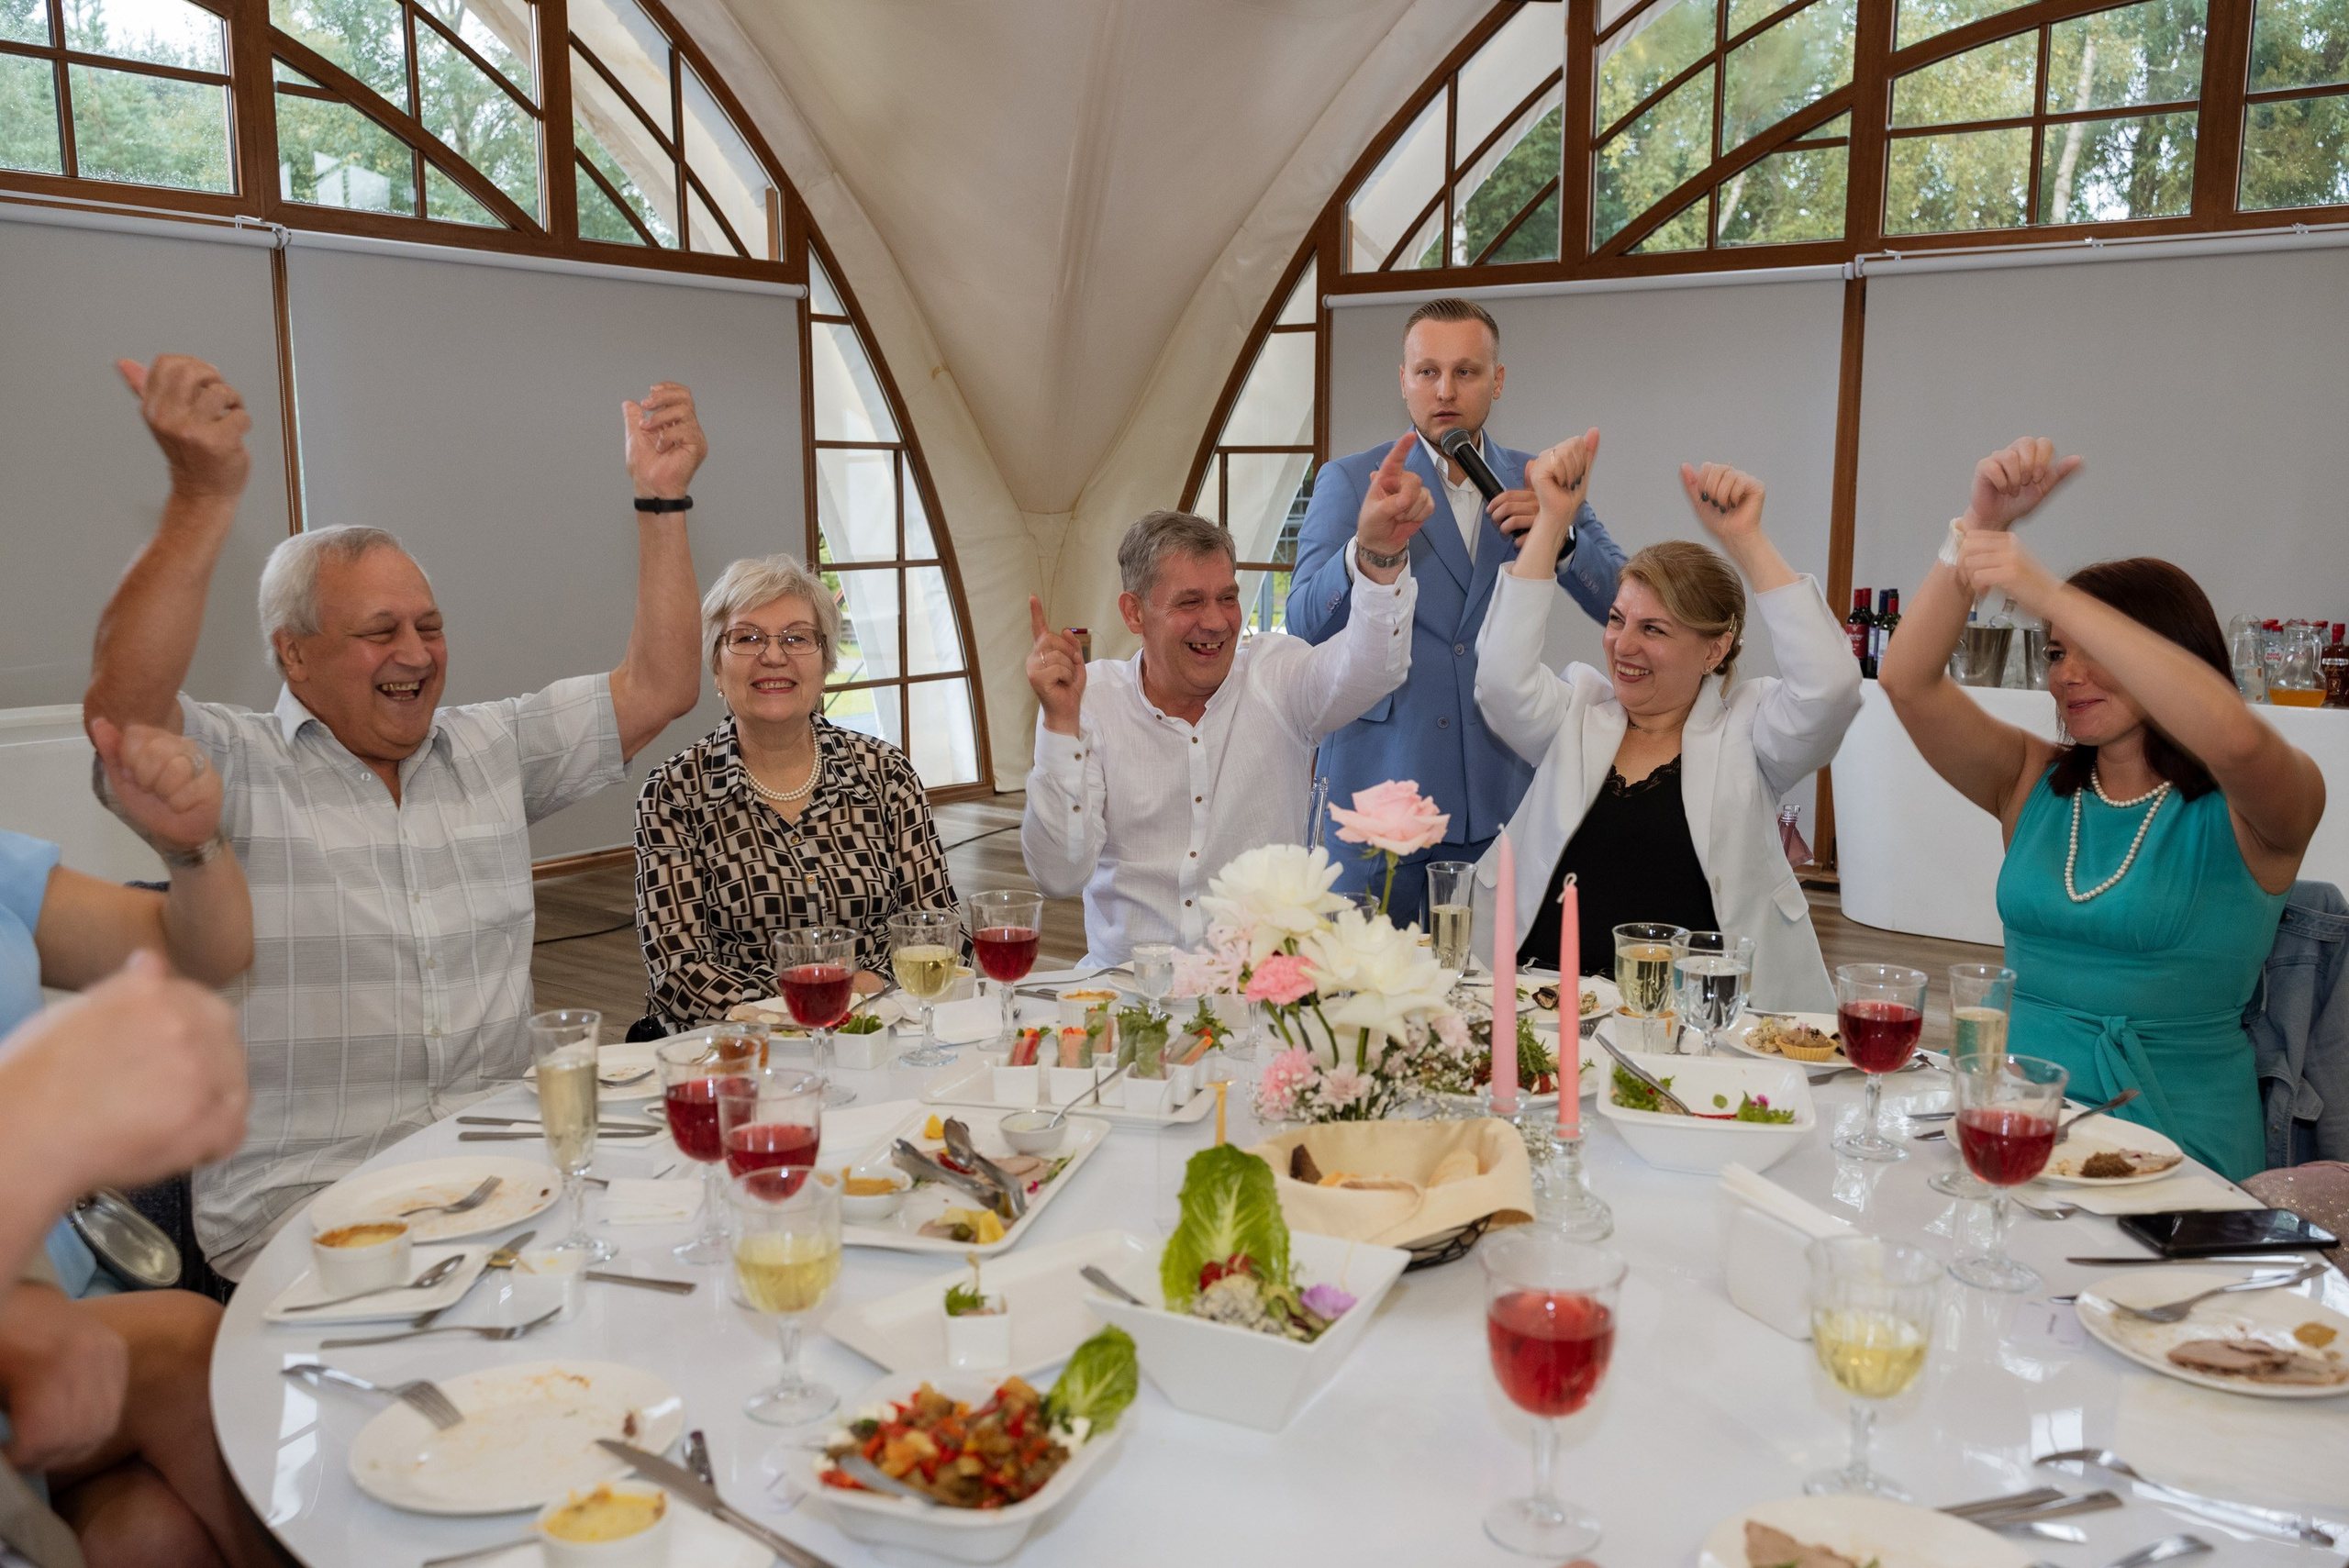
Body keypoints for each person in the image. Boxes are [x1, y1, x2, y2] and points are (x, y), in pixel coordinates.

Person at [82, 353, 707, 1278]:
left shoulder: (491, 747)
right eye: (380, 632)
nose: (416, 653)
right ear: (294, 655)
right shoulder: (237, 769)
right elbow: (125, 719)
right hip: (312, 1206)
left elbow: (660, 685)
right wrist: (200, 496)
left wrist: (661, 500)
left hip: (507, 1176)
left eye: (430, 626)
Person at [1878, 439, 2324, 1182]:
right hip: (2012, 1125)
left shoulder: (2256, 808)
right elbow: (1907, 680)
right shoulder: (2034, 780)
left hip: (2172, 1156)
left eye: (2095, 649)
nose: (2068, 675)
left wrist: (2051, 592)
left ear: (2173, 656)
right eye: (2057, 652)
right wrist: (1980, 527)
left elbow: (2236, 736)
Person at [0, 731, 276, 1567]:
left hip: (65, 1294)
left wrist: (191, 848)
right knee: (189, 1344)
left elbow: (199, 951)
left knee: (153, 1537)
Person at [1470, 435, 1861, 1012]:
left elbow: (1832, 688)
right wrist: (1552, 521)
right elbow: (1500, 681)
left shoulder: (1750, 732)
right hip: (1543, 1003)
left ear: (1714, 649)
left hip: (1696, 1021)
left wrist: (1746, 540)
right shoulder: (1577, 713)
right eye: (1617, 619)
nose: (1622, 646)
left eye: (1653, 629)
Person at [1286, 297, 1628, 927]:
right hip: (1380, 789)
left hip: (1501, 792)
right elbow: (1304, 624)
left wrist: (1560, 535)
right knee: (1361, 983)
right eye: (1428, 372)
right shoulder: (1352, 480)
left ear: (1497, 380)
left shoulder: (1540, 480)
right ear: (1403, 380)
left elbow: (1623, 602)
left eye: (1466, 372)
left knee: (1494, 983)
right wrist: (1365, 551)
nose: (1445, 390)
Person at [1023, 494, 1421, 966]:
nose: (1215, 622)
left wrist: (1380, 558)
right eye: (1190, 602)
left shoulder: (1275, 676)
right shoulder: (1091, 701)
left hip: (1263, 991)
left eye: (1227, 598)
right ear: (1134, 613)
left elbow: (1372, 668)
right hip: (1130, 993)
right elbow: (1060, 875)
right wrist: (1059, 725)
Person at [635, 554, 959, 1028]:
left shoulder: (886, 773)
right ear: (716, 668)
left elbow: (938, 928)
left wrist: (867, 989)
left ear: (825, 663)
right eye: (747, 638)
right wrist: (816, 995)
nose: (773, 656)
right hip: (740, 1046)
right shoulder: (674, 793)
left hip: (880, 1030)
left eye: (796, 638)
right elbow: (677, 972)